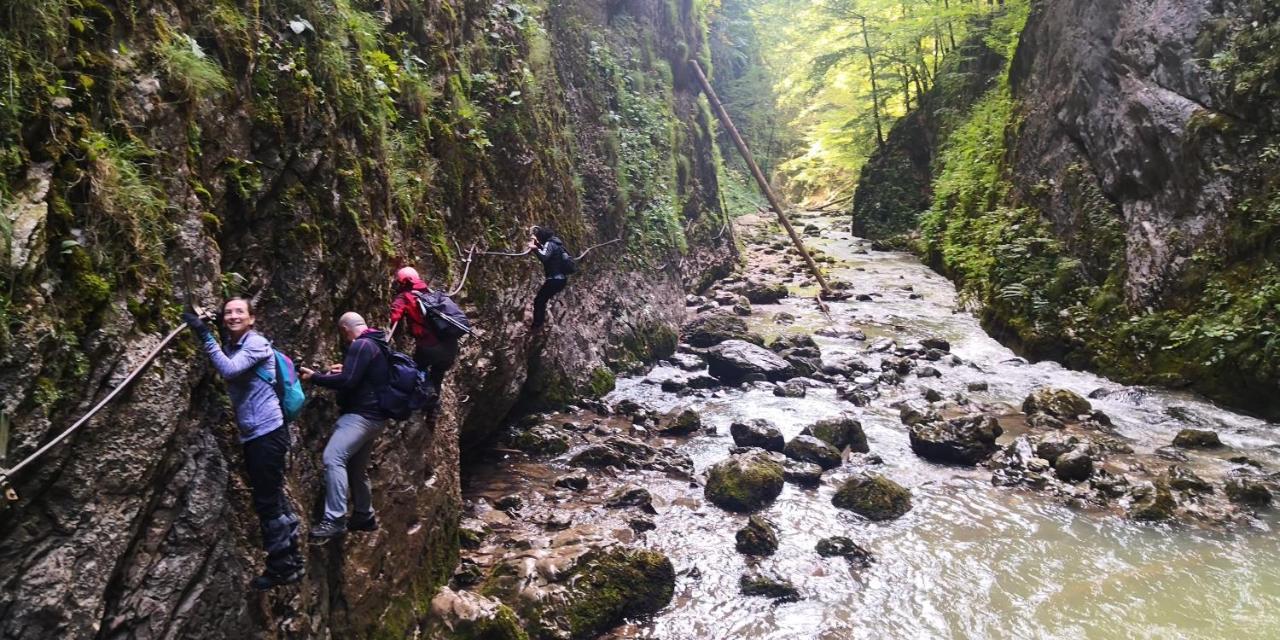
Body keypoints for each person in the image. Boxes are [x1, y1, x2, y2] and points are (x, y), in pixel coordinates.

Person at [182, 298, 304, 591]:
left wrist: (203, 334)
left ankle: (281, 567)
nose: (233, 316)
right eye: (228, 312)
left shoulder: (256, 344)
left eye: (240, 312)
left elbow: (229, 370)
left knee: (266, 501)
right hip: (258, 434)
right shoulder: (237, 344)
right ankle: (292, 557)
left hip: (267, 433)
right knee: (272, 496)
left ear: (252, 318)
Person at [299, 312, 392, 540]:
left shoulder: (360, 345)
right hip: (376, 419)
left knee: (333, 457)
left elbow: (348, 381)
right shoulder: (378, 344)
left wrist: (316, 378)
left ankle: (334, 519)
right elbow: (360, 377)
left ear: (344, 330)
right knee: (355, 468)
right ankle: (364, 515)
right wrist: (342, 371)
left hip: (361, 417)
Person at [388, 266, 459, 392]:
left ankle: (416, 398)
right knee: (437, 376)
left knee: (416, 372)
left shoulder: (405, 296)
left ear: (402, 282)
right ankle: (431, 407)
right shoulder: (433, 293)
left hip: (429, 347)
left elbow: (394, 316)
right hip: (451, 346)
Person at [528, 225, 573, 328]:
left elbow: (544, 256)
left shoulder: (549, 244)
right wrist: (537, 245)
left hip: (554, 280)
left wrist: (534, 248)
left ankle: (537, 325)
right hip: (562, 280)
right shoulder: (557, 244)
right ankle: (538, 324)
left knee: (539, 301)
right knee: (542, 300)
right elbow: (546, 251)